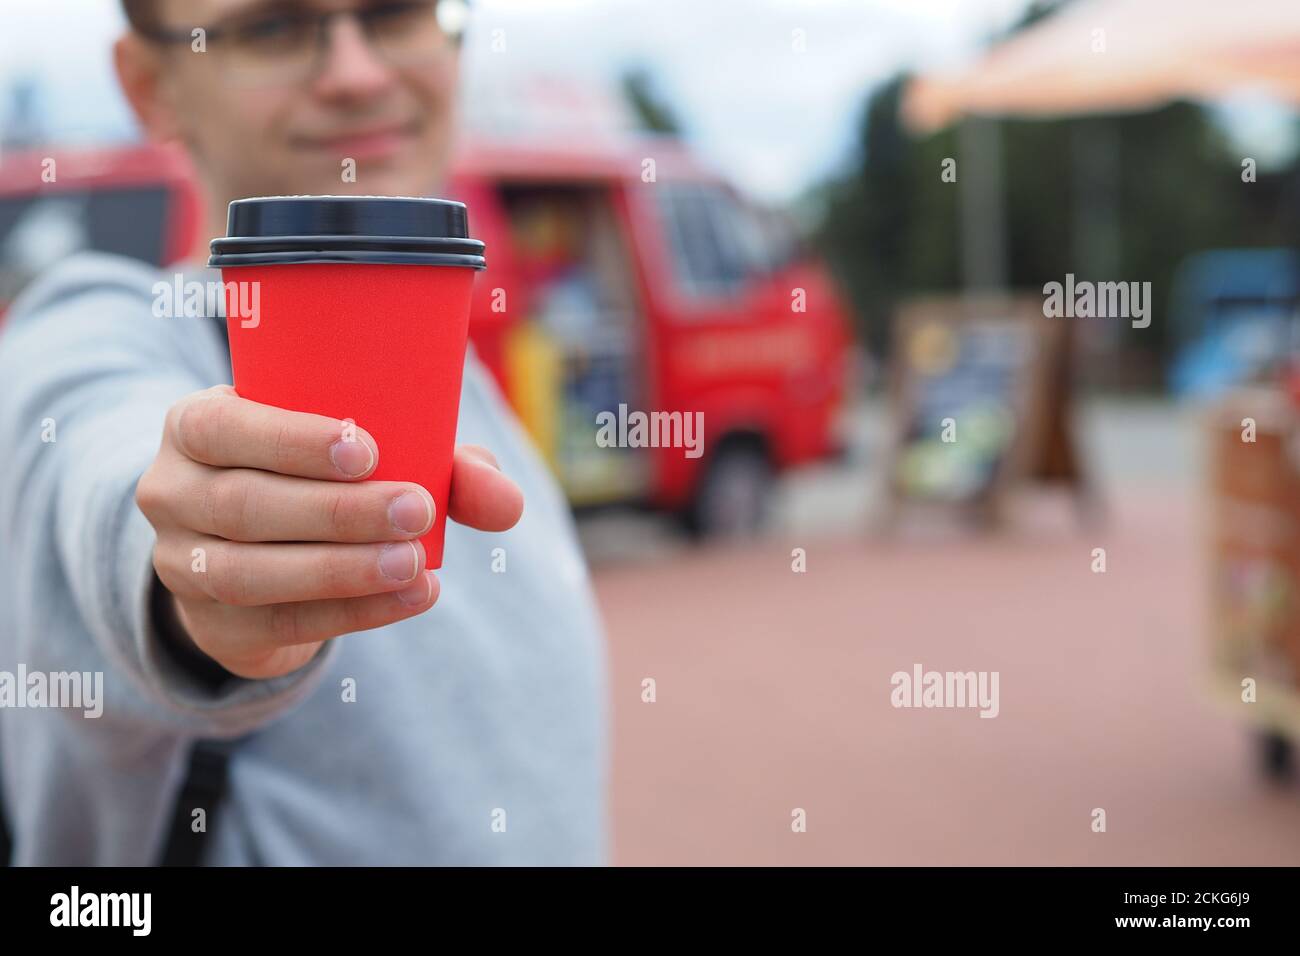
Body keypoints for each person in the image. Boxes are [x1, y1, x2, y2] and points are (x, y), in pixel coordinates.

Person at [0, 0, 608, 865]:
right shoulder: (96, 330)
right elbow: (101, 465)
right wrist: (197, 568)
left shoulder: (461, 387)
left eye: (398, 14)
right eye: (273, 29)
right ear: (149, 84)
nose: (357, 73)